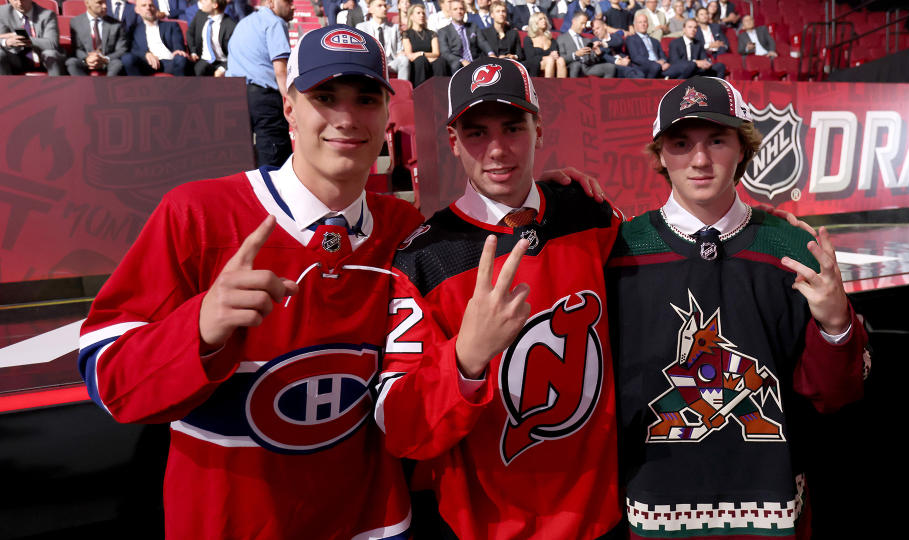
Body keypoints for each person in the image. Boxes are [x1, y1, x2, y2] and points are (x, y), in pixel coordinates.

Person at [78, 24, 424, 539]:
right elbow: (109, 380)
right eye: (324, 97)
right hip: (231, 522)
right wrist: (198, 327)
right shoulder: (198, 213)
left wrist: (539, 204)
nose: (347, 118)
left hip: (369, 521)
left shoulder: (404, 228)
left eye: (366, 99)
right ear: (289, 108)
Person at [607, 76, 867, 539]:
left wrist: (836, 324)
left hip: (771, 511)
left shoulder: (792, 249)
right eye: (681, 142)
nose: (701, 160)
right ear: (661, 153)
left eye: (718, 140)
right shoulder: (621, 251)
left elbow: (835, 395)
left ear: (743, 148)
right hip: (651, 510)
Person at [375, 56, 622, 539]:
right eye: (476, 133)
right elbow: (400, 428)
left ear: (539, 130)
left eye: (512, 127)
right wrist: (466, 358)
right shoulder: (424, 257)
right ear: (452, 143)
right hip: (487, 525)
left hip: (602, 515)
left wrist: (740, 215)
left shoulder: (590, 212)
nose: (497, 150)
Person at [226, 0, 294, 167]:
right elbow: (281, 70)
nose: (292, 6)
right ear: (271, 3)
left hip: (235, 94)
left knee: (241, 157)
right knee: (273, 156)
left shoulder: (243, 23)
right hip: (264, 97)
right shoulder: (275, 23)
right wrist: (291, 101)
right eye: (287, 1)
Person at [121, 0, 190, 76]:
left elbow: (177, 43)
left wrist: (178, 50)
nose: (148, 8)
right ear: (137, 10)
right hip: (147, 64)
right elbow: (133, 49)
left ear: (156, 8)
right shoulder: (135, 30)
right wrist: (145, 54)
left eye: (151, 5)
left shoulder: (171, 25)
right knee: (127, 59)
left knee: (181, 59)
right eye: (144, 5)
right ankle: (138, 86)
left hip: (169, 62)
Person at [0, 0, 66, 76]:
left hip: (43, 58)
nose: (19, 3)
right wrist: (6, 42)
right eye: (15, 0)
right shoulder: (2, 13)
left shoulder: (47, 15)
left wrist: (22, 38)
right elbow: (1, 37)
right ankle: (5, 86)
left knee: (51, 54)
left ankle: (57, 86)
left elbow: (52, 43)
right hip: (16, 58)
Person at [66, 0, 128, 76]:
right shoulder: (76, 22)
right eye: (99, 3)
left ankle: (106, 86)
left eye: (105, 2)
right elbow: (76, 48)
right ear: (87, 3)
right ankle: (85, 86)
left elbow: (122, 49)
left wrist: (105, 59)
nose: (105, 6)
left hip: (107, 61)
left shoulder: (116, 24)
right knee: (71, 63)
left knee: (117, 64)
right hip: (85, 61)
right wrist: (87, 59)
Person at [626, 9, 691, 78]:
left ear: (648, 24)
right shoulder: (631, 39)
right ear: (635, 25)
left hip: (660, 66)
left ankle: (675, 87)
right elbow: (636, 58)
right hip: (645, 67)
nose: (643, 24)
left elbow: (662, 56)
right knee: (655, 66)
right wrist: (656, 63)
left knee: (686, 67)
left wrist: (664, 62)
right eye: (640, 22)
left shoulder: (655, 41)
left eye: (645, 22)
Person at [359, 0, 412, 81]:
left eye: (385, 6)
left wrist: (401, 53)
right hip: (372, 63)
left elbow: (399, 50)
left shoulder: (394, 28)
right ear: (370, 9)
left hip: (390, 63)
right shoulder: (362, 27)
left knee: (404, 60)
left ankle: (402, 89)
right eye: (379, 6)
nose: (384, 8)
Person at [558, 10, 614, 77]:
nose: (584, 27)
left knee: (610, 67)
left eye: (585, 24)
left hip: (587, 68)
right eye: (582, 23)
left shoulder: (586, 40)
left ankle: (604, 87)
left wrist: (597, 55)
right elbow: (562, 59)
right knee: (576, 65)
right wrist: (575, 55)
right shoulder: (562, 38)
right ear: (574, 21)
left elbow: (592, 60)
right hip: (572, 66)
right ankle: (571, 87)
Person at [186, 0, 236, 76]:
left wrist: (223, 69)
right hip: (204, 60)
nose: (201, 1)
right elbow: (190, 33)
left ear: (215, 5)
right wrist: (193, 52)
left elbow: (235, 54)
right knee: (196, 70)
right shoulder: (200, 15)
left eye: (205, 0)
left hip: (223, 62)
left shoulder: (230, 25)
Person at [403, 2, 444, 86]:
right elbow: (410, 55)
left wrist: (421, 54)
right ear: (411, 16)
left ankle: (440, 92)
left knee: (440, 62)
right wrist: (425, 57)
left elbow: (436, 53)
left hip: (430, 60)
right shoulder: (406, 34)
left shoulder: (432, 33)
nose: (421, 15)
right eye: (418, 13)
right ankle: (421, 93)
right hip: (417, 63)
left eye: (423, 13)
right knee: (421, 60)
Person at [437, 0, 483, 73]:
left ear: (465, 11)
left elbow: (482, 42)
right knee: (456, 65)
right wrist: (462, 60)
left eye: (461, 9)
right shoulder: (443, 31)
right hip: (458, 64)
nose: (459, 11)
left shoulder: (473, 26)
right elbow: (445, 52)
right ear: (450, 12)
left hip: (475, 61)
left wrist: (491, 53)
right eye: (455, 9)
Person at [521, 10, 565, 76]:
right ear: (534, 22)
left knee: (561, 60)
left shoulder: (551, 39)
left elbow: (556, 53)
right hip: (534, 64)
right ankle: (548, 85)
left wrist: (555, 55)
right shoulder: (528, 39)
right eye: (540, 19)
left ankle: (563, 85)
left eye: (545, 18)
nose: (544, 20)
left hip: (550, 61)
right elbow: (530, 57)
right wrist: (547, 57)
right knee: (550, 60)